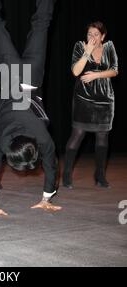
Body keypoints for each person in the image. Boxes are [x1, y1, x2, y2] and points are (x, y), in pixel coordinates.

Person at [0, 0, 64, 218]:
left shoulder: (42, 138)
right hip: (14, 76)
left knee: (41, 23)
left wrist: (46, 196)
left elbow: (51, 164)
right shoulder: (1, 139)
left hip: (29, 77)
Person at [62, 21, 118, 188]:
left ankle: (99, 175)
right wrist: (87, 52)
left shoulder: (109, 47)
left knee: (102, 138)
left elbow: (115, 70)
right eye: (89, 34)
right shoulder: (80, 46)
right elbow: (76, 71)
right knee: (77, 135)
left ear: (103, 36)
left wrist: (96, 75)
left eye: (95, 34)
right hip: (83, 98)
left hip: (105, 100)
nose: (92, 37)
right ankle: (66, 174)